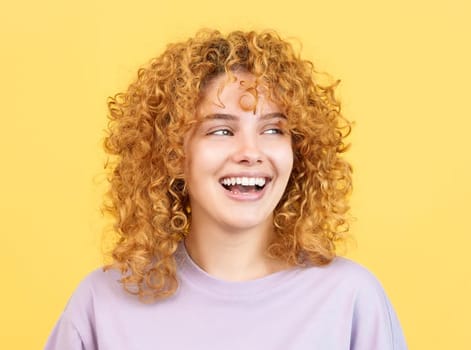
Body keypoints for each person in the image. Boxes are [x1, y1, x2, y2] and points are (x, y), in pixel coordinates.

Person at [44, 29, 407, 350]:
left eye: (272, 130)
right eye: (221, 130)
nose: (250, 153)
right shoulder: (102, 304)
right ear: (173, 153)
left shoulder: (350, 300)